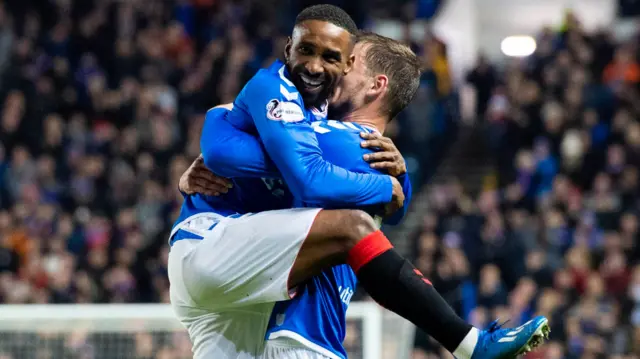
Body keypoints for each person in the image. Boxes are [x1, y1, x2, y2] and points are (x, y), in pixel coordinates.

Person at [169, 5, 549, 359]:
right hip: (227, 261)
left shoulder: (348, 143)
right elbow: (230, 151)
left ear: (375, 84)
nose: (325, 67)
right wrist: (394, 186)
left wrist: (220, 122)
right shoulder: (321, 128)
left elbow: (228, 149)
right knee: (353, 226)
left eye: (344, 60)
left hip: (251, 298)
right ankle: (469, 344)